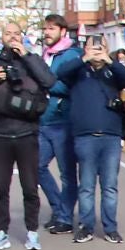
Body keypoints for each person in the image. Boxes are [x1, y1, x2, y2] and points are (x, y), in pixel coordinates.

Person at [0, 20, 55, 250]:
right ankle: (1, 231)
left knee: (30, 187)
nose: (12, 37)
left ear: (22, 36)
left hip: (27, 133)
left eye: (16, 33)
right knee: (0, 188)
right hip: (0, 134)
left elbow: (49, 81)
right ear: (1, 37)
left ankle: (32, 232)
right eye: (8, 34)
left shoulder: (32, 61)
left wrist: (26, 55)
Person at [69, 35, 125, 244]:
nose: (96, 51)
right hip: (85, 136)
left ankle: (110, 228)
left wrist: (110, 61)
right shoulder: (78, 70)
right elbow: (59, 74)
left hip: (111, 135)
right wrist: (84, 59)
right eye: (92, 47)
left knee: (110, 186)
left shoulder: (112, 71)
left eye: (101, 47)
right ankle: (86, 226)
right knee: (86, 185)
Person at [36, 14, 84, 235]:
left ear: (63, 31)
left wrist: (45, 84)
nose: (47, 32)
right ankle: (58, 209)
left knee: (67, 174)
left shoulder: (71, 55)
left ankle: (65, 218)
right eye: (45, 29)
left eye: (52, 28)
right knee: (36, 167)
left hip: (63, 121)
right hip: (43, 120)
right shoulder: (46, 54)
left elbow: (70, 87)